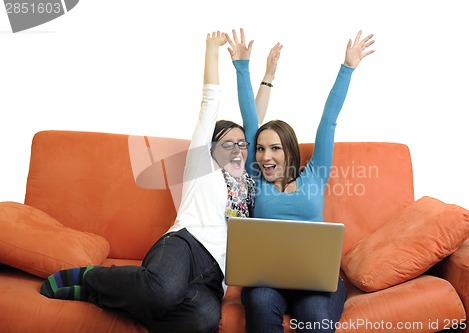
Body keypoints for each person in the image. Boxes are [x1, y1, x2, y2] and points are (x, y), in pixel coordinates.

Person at [39, 31, 257, 333]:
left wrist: (265, 74)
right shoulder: (201, 165)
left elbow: (256, 124)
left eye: (241, 143)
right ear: (209, 148)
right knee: (163, 290)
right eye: (227, 143)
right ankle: (92, 277)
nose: (237, 149)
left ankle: (99, 296)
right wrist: (212, 51)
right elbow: (210, 102)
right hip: (186, 245)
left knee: (203, 321)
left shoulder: (248, 184)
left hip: (214, 277)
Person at [226, 28, 375, 332]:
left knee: (316, 316)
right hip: (267, 281)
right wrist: (243, 68)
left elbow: (328, 119)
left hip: (315, 283)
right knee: (260, 303)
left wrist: (347, 69)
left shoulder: (315, 174)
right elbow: (249, 119)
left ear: (290, 152)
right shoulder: (257, 177)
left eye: (276, 148)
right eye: (262, 148)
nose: (266, 156)